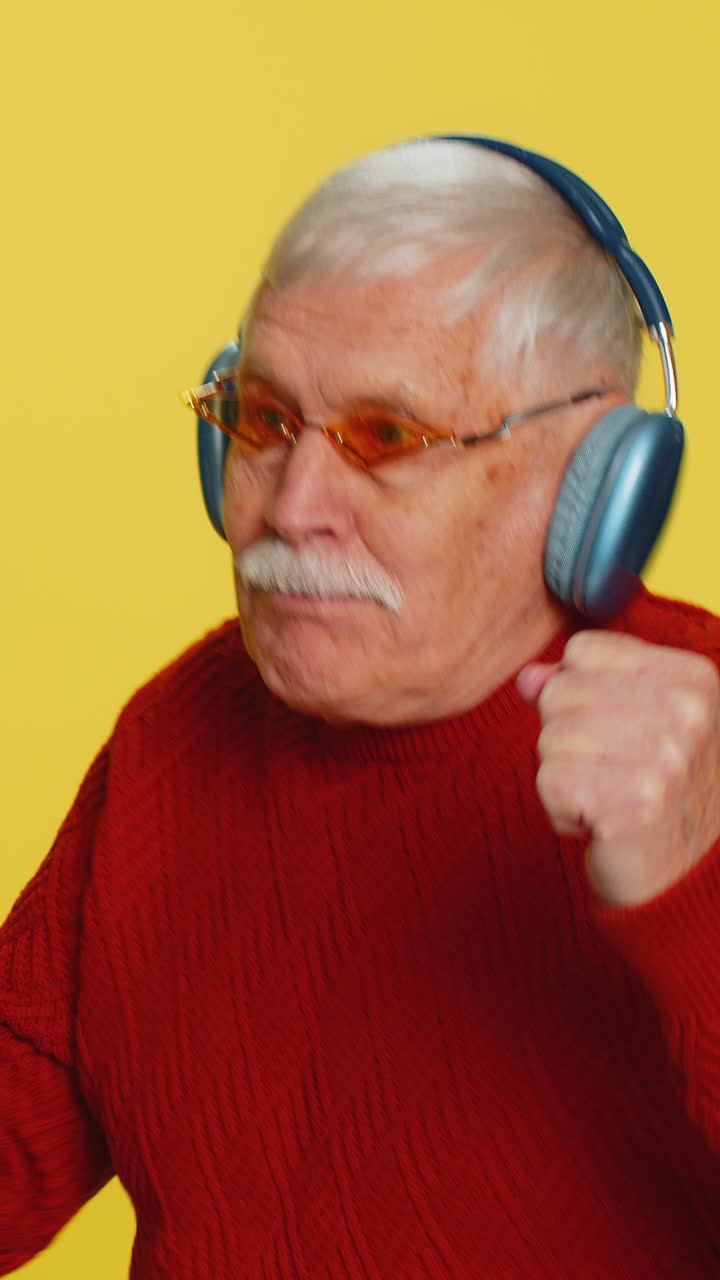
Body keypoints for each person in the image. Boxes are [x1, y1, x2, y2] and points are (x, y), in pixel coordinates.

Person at [2, 137, 720, 1279]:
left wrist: (691, 902)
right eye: (263, 418)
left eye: (386, 436)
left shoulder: (704, 756)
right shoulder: (178, 732)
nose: (294, 505)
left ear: (596, 480)